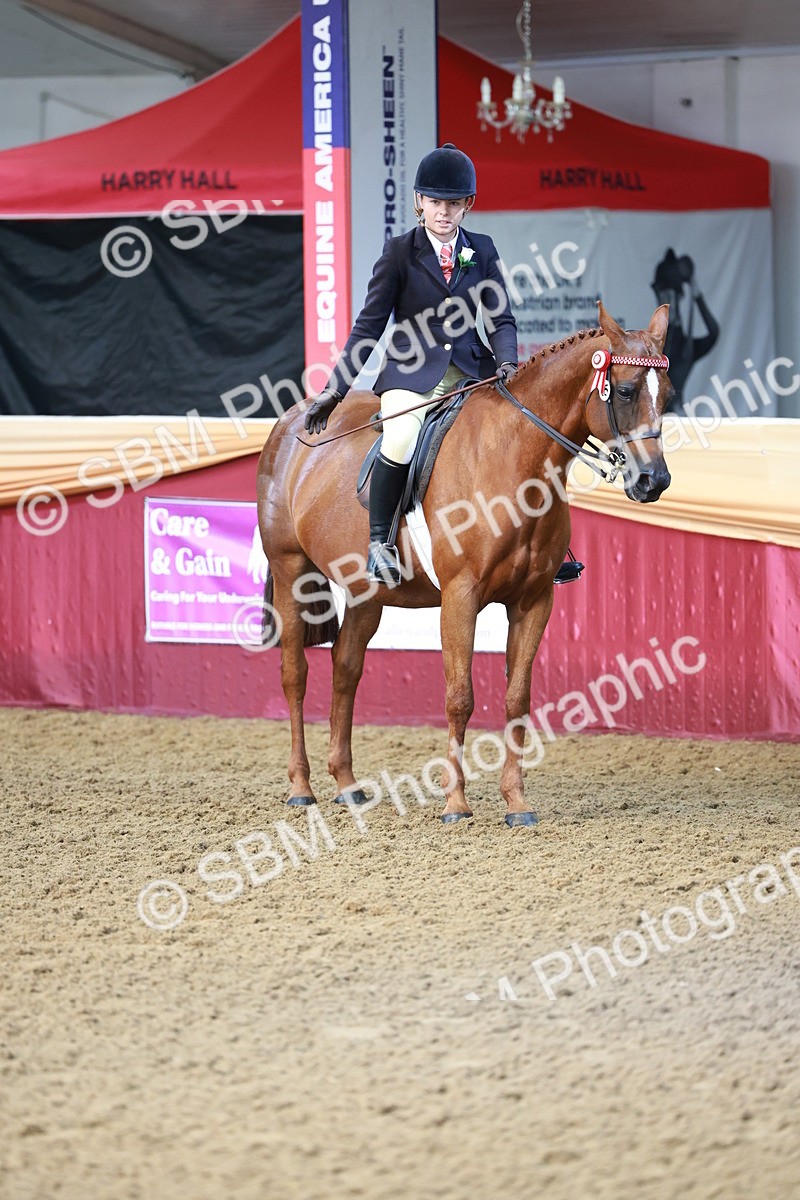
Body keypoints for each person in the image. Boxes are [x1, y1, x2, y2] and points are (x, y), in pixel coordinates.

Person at [304, 142, 581, 587]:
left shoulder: (482, 250)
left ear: (468, 205)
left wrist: (507, 361)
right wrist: (336, 390)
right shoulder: (399, 253)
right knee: (401, 435)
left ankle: (545, 545)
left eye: (453, 204)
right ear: (419, 202)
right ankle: (380, 544)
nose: (443, 213)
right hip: (410, 373)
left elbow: (501, 317)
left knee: (525, 433)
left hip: (472, 370)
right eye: (435, 202)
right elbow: (368, 328)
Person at [651, 248, 719, 413]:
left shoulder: (687, 348)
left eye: (671, 297)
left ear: (679, 298)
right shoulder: (650, 346)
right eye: (663, 297)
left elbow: (713, 333)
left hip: (677, 417)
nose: (668, 302)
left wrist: (696, 292)